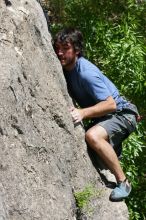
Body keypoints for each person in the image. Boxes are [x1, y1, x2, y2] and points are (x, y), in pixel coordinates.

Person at [53, 27, 139, 201]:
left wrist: (83, 112)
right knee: (96, 158)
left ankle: (123, 182)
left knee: (92, 137)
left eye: (65, 48)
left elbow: (111, 104)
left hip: (122, 114)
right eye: (57, 48)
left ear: (76, 50)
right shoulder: (66, 70)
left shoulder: (85, 72)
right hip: (106, 116)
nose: (60, 52)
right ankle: (112, 146)